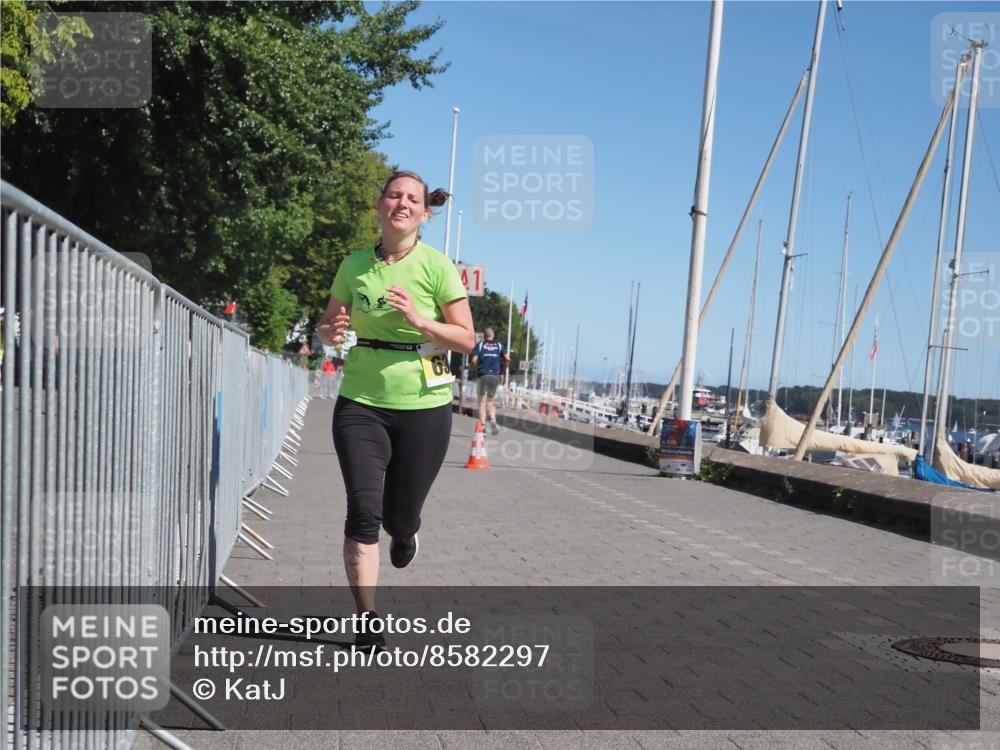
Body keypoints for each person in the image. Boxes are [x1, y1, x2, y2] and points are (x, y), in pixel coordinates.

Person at [316, 170, 474, 650]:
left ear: (425, 214)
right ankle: (367, 620)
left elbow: (465, 339)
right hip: (361, 400)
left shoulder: (437, 266)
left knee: (398, 517)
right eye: (394, 195)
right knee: (363, 512)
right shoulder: (354, 265)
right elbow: (327, 326)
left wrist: (419, 320)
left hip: (425, 404)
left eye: (413, 199)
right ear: (380, 206)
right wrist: (330, 331)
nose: (402, 204)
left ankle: (405, 534)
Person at [470, 327, 510, 435]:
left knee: (481, 402)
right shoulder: (499, 345)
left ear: (484, 335)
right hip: (495, 375)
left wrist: (475, 370)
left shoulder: (481, 344)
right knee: (490, 401)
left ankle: (483, 428)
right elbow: (507, 359)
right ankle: (492, 417)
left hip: (483, 375)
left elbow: (473, 360)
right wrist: (502, 372)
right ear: (493, 335)